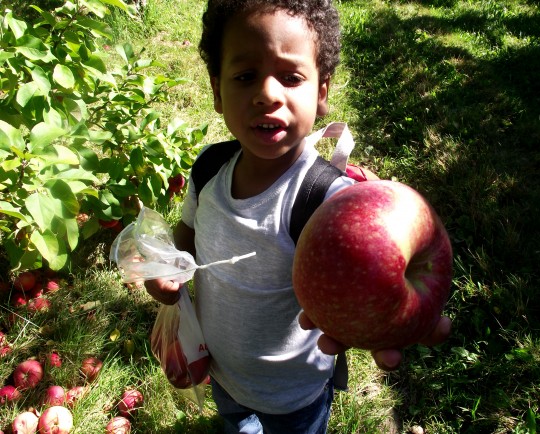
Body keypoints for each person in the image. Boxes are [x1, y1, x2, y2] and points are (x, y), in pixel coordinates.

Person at [145, 0, 451, 432]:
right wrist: (167, 271)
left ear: (322, 93)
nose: (267, 93)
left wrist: (385, 293)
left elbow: (370, 274)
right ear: (216, 91)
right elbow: (187, 237)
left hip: (295, 394)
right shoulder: (209, 168)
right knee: (236, 423)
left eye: (291, 78)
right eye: (245, 76)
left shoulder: (329, 204)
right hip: (223, 372)